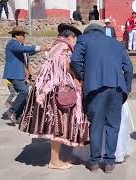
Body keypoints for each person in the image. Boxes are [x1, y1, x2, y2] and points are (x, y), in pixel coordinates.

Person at [19, 23, 89, 170]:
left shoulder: (55, 46)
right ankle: (55, 161)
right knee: (57, 126)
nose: (76, 42)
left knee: (55, 126)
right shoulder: (64, 49)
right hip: (57, 93)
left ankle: (58, 158)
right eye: (75, 39)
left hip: (47, 90)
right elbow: (64, 67)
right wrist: (76, 77)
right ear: (70, 37)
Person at [71, 22, 133, 173]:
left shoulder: (84, 40)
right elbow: (129, 67)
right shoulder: (116, 43)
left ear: (88, 31)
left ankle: (94, 162)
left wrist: (86, 77)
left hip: (96, 89)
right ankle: (110, 162)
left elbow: (75, 61)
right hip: (117, 89)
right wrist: (127, 87)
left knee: (96, 124)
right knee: (113, 126)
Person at [3, 26, 46, 124]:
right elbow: (23, 49)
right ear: (17, 35)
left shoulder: (19, 46)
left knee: (26, 95)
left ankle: (17, 115)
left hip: (20, 74)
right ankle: (11, 111)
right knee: (24, 91)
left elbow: (27, 52)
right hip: (15, 74)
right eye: (23, 35)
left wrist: (41, 49)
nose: (24, 37)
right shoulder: (13, 44)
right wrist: (39, 47)